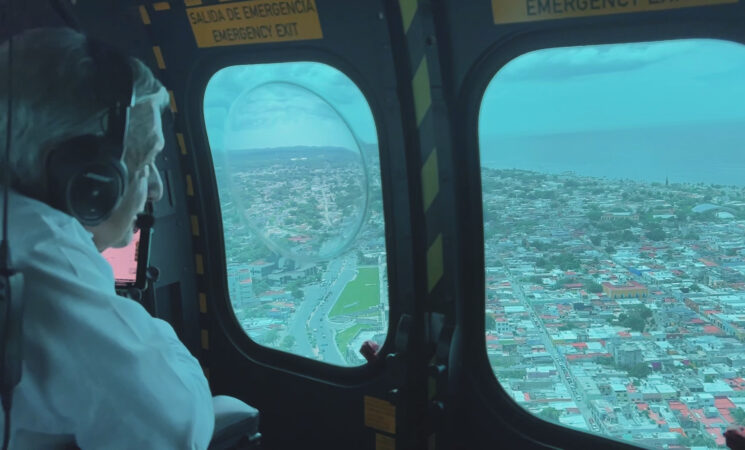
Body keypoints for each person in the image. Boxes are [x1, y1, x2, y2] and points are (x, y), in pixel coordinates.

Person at [0, 27, 215, 448]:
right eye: (146, 159)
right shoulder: (39, 258)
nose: (154, 188)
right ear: (92, 183)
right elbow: (174, 431)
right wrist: (154, 334)